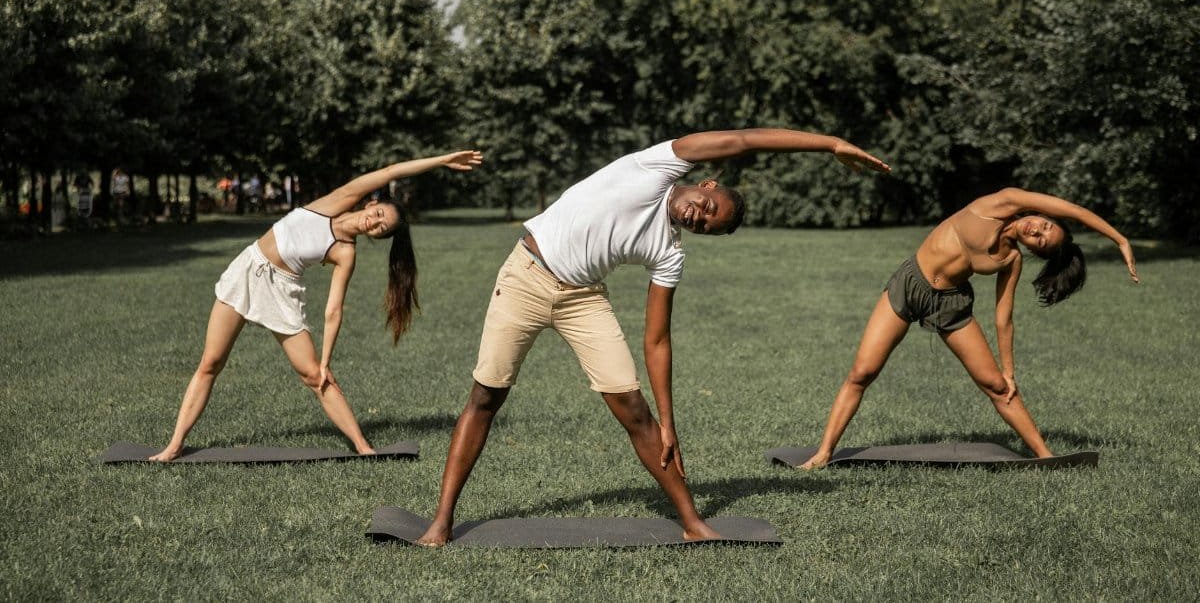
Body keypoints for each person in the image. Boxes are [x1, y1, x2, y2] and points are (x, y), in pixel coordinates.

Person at [416, 129, 891, 545]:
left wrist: (670, 420)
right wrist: (829, 144)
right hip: (525, 276)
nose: (699, 217)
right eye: (708, 207)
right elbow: (745, 139)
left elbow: (657, 339)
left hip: (583, 298)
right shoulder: (658, 165)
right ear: (706, 184)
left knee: (638, 414)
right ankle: (441, 522)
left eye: (707, 225)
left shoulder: (669, 252)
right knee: (485, 397)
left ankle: (691, 522)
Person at [150, 150, 483, 462]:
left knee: (315, 375)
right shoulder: (337, 201)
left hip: (281, 291)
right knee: (210, 362)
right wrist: (443, 160)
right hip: (247, 270)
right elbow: (390, 171)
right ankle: (175, 444)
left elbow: (334, 309)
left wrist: (325, 360)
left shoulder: (345, 252)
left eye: (382, 228)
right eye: (379, 214)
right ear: (370, 203)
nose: (375, 223)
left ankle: (363, 447)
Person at [799, 188, 1140, 469]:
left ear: (1035, 252)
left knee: (996, 385)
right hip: (911, 283)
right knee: (862, 372)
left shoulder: (1011, 259)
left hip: (950, 303)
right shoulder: (1003, 203)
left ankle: (1045, 457)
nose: (1038, 233)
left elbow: (1003, 317)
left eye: (1043, 243)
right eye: (1046, 227)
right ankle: (824, 452)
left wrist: (1009, 371)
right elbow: (1071, 207)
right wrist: (1119, 239)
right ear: (1041, 215)